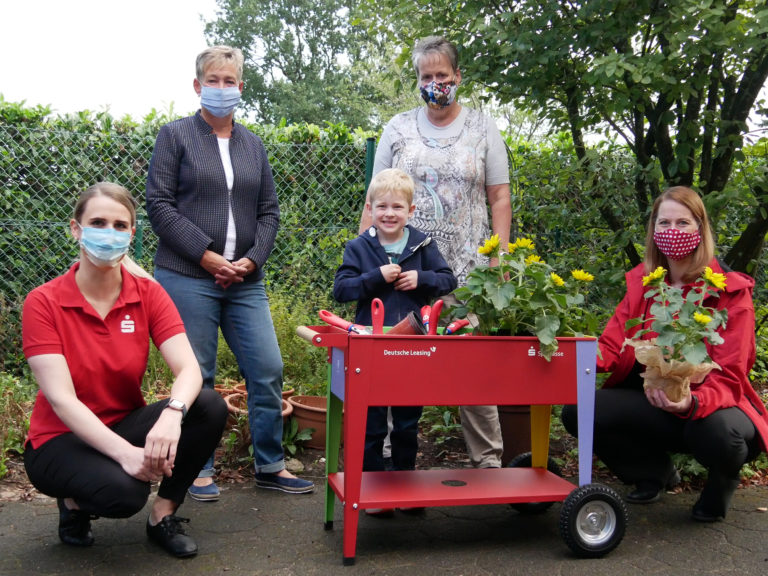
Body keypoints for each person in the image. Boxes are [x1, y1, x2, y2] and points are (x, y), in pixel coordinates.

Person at [22, 182, 228, 557]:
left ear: (132, 234)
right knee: (124, 494)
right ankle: (72, 504)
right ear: (76, 229)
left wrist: (173, 414)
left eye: (120, 225)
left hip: (123, 422)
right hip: (59, 438)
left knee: (208, 405)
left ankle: (163, 516)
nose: (109, 233)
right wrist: (125, 455)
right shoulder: (43, 302)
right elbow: (62, 400)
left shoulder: (147, 293)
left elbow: (189, 368)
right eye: (98, 223)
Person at [146, 45, 314, 499]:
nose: (222, 88)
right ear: (197, 85)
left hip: (245, 282)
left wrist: (252, 260)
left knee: (267, 367)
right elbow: (158, 205)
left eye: (230, 81)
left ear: (241, 86)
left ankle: (270, 465)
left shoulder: (253, 145)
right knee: (197, 374)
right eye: (213, 81)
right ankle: (195, 469)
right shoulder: (175, 136)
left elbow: (269, 212)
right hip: (187, 275)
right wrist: (206, 255)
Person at [562, 186, 768, 521]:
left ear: (700, 229)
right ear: (653, 230)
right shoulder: (645, 284)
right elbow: (611, 346)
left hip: (713, 406)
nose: (672, 231)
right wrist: (561, 351)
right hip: (656, 400)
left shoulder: (731, 292)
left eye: (682, 223)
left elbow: (732, 374)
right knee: (579, 411)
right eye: (664, 223)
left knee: (717, 433)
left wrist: (691, 403)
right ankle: (652, 474)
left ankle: (719, 488)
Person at [360, 36, 512, 469]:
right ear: (417, 80)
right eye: (426, 76)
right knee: (394, 365)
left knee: (472, 370)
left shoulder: (483, 128)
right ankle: (386, 462)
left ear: (457, 76)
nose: (435, 83)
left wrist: (499, 259)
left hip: (467, 273)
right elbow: (374, 200)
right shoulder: (398, 129)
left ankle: (488, 463)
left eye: (442, 74)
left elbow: (500, 197)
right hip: (401, 273)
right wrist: (365, 257)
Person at [336, 168, 457, 515]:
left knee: (407, 422)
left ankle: (405, 487)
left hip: (413, 348)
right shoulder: (359, 247)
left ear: (411, 211)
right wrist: (375, 277)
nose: (389, 214)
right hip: (371, 348)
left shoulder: (423, 245)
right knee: (371, 421)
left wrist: (422, 278)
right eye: (382, 206)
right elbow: (341, 289)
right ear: (370, 209)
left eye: (397, 207)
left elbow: (448, 280)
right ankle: (372, 489)